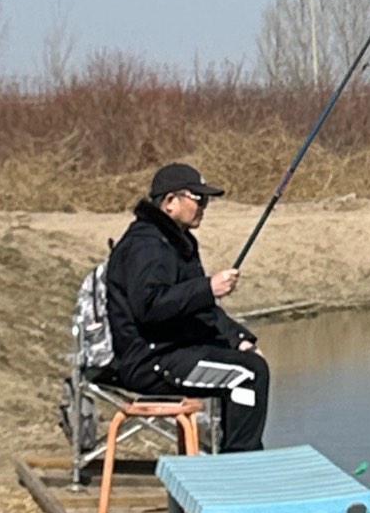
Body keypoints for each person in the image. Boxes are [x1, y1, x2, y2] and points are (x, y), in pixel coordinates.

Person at [103, 163, 270, 450]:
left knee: (250, 361)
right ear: (170, 202)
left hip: (171, 349)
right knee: (249, 374)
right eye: (198, 199)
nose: (204, 207)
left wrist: (238, 338)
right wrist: (207, 287)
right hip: (149, 361)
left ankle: (237, 457)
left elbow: (200, 309)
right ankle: (242, 465)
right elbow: (150, 307)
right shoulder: (147, 245)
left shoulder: (177, 242)